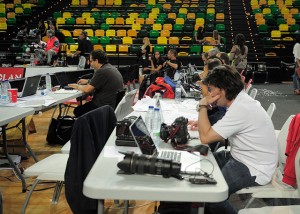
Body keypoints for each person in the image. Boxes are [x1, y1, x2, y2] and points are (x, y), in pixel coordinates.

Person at [197, 65, 277, 214]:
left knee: (212, 196)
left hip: (253, 166)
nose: (209, 93)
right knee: (201, 164)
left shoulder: (241, 108)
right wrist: (204, 123)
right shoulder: (240, 102)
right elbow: (220, 130)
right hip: (242, 155)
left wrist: (202, 106)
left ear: (223, 90)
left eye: (211, 89)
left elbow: (205, 138)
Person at [68, 50, 123, 117]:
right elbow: (101, 81)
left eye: (91, 61)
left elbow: (87, 90)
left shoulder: (101, 71)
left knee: (78, 111)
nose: (90, 63)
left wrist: (76, 86)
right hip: (110, 105)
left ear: (96, 61)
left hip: (102, 106)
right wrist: (88, 81)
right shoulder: (110, 68)